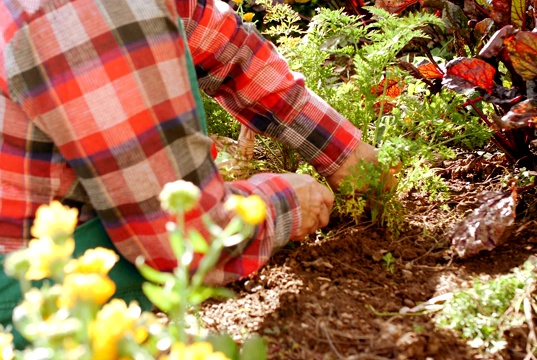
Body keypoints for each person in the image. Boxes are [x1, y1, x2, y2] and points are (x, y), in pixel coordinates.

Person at [0, 0, 382, 308]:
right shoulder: (88, 14)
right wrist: (288, 201)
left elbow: (226, 49)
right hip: (31, 304)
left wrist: (344, 151)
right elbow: (180, 237)